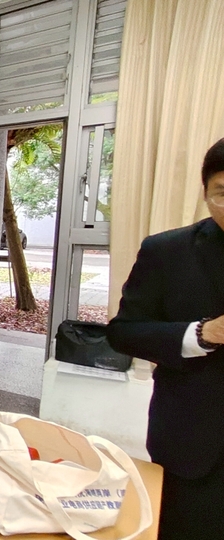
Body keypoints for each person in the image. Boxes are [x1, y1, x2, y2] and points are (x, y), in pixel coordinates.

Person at [107, 138, 224, 539]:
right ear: (205, 193)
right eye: (222, 193)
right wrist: (203, 334)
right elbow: (123, 331)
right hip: (194, 445)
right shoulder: (167, 251)